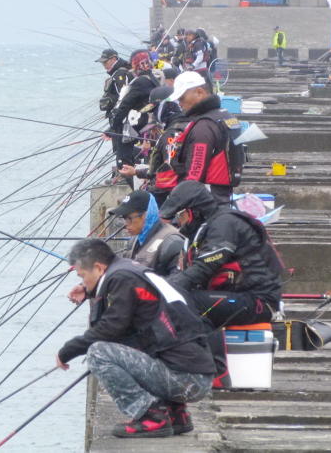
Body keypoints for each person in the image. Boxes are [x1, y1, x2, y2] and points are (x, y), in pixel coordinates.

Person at [57, 238, 215, 438]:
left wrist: (67, 351)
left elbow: (110, 328)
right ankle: (175, 414)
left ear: (97, 267)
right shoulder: (129, 270)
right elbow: (130, 311)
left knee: (98, 352)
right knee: (132, 345)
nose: (82, 281)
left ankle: (151, 416)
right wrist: (90, 290)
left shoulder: (121, 278)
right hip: (195, 376)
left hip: (186, 380)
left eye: (82, 275)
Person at [158, 181, 283, 329]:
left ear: (192, 211)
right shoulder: (208, 226)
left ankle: (206, 351)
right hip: (241, 297)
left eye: (179, 216)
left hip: (258, 302)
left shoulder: (224, 223)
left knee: (186, 301)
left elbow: (204, 266)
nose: (177, 222)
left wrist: (165, 289)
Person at [166, 71, 242, 205]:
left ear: (199, 92)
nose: (180, 104)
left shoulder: (204, 126)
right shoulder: (226, 116)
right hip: (224, 196)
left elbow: (195, 174)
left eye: (182, 98)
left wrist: (174, 206)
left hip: (206, 201)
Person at [110, 190, 186, 276]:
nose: (126, 224)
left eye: (129, 219)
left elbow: (177, 283)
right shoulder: (135, 240)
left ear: (145, 215)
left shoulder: (172, 242)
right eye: (124, 218)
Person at [108, 49, 159, 169]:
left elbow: (125, 105)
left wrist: (114, 125)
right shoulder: (152, 78)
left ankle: (128, 174)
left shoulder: (140, 82)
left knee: (123, 157)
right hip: (148, 123)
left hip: (137, 125)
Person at [97, 48, 129, 123]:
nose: (104, 65)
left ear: (114, 59)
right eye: (102, 63)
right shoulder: (118, 72)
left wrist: (111, 100)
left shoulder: (120, 74)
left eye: (105, 62)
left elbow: (124, 98)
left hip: (122, 117)